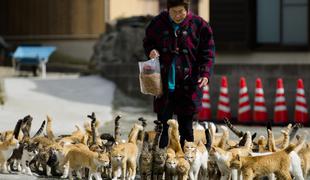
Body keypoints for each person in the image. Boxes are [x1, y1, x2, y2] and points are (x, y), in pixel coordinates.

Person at [143, 0, 215, 148]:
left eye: (181, 11)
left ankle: (186, 163)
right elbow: (148, 42)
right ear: (168, 10)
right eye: (173, 12)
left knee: (186, 128)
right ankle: (162, 161)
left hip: (188, 84)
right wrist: (151, 50)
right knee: (162, 127)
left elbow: (208, 53)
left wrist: (205, 74)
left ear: (187, 10)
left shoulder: (199, 25)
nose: (177, 15)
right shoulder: (158, 23)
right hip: (163, 84)